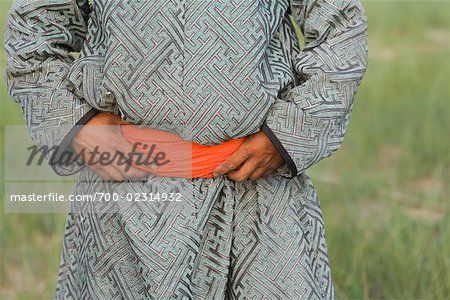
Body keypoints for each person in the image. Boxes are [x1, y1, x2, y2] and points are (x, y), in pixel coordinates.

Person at [4, 0, 368, 298]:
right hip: (120, 203)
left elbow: (342, 27)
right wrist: (75, 124)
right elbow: (30, 32)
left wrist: (290, 132)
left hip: (258, 201)